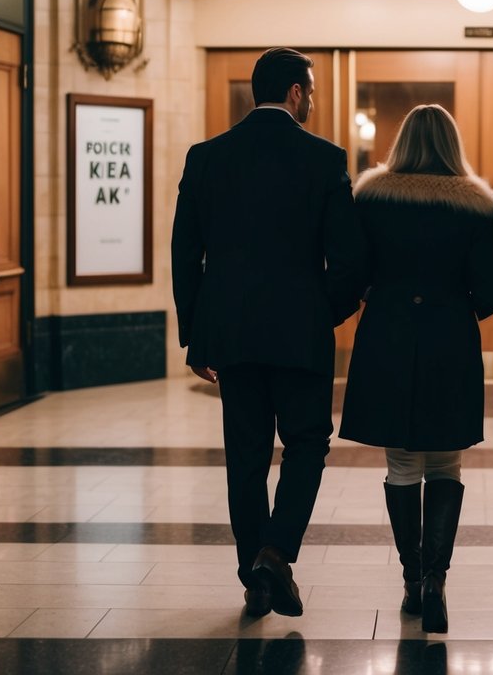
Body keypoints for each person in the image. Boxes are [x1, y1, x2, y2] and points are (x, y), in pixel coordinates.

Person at [171, 47, 367, 618]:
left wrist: (195, 333)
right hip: (299, 333)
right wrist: (321, 311)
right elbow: (349, 260)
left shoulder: (206, 157)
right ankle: (276, 554)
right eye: (312, 90)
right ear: (297, 93)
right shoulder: (324, 159)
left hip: (230, 333)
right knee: (307, 442)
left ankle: (254, 573)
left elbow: (186, 253)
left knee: (247, 453)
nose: (314, 100)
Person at [339, 105, 493, 633]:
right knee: (446, 464)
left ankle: (412, 579)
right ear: (452, 145)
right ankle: (437, 578)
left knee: (401, 465)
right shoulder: (476, 206)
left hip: (386, 338)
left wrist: (380, 297)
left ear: (402, 141)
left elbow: (352, 270)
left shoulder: (371, 198)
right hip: (449, 340)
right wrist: (457, 306)